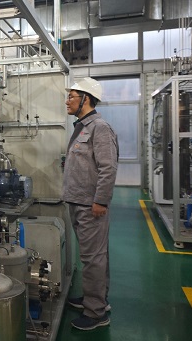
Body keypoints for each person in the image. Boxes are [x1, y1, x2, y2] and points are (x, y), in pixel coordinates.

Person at [62, 77, 119, 331]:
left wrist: (100, 201)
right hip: (78, 201)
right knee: (93, 256)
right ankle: (95, 299)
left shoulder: (100, 128)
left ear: (85, 99)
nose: (67, 101)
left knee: (93, 258)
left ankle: (96, 312)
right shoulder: (81, 127)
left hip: (90, 205)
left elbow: (108, 168)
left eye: (71, 97)